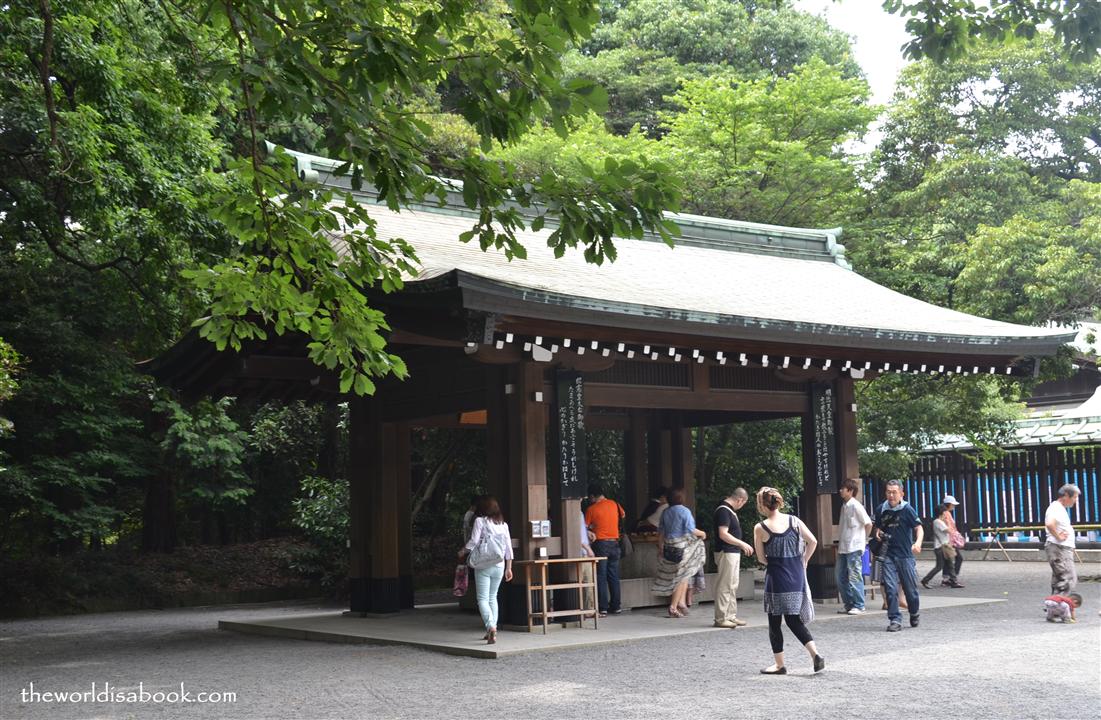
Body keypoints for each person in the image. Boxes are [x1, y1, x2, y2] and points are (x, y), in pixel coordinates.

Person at [752, 487, 824, 675]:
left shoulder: (761, 528)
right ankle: (815, 654)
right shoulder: (795, 521)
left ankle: (779, 664)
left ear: (761, 504)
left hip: (777, 577)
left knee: (774, 622)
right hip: (797, 574)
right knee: (793, 620)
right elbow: (813, 541)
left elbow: (760, 558)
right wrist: (804, 561)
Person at [458, 495, 513, 644]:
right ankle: (492, 629)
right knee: (493, 597)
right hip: (500, 565)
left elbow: (474, 541)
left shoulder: (480, 521)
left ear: (483, 509)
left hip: (483, 564)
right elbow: (508, 548)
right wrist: (509, 568)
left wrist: (463, 551)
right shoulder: (503, 525)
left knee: (482, 599)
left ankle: (491, 628)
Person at [872, 479, 923, 633]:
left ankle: (914, 612)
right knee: (890, 587)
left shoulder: (907, 509)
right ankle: (895, 619)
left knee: (910, 589)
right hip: (887, 554)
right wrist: (877, 533)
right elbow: (877, 527)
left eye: (894, 492)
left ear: (902, 493)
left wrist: (918, 543)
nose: (891, 495)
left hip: (905, 555)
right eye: (888, 492)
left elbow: (918, 528)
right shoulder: (881, 508)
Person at [653, 488, 707, 617]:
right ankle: (673, 607)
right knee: (682, 578)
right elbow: (690, 529)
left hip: (669, 547)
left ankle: (681, 603)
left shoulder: (665, 512)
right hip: (682, 548)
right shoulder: (684, 511)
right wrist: (703, 533)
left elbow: (661, 532)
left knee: (682, 576)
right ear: (681, 498)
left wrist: (660, 548)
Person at [713, 487, 754, 628]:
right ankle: (721, 618)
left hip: (732, 552)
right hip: (726, 551)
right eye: (743, 503)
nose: (741, 506)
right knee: (725, 585)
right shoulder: (724, 510)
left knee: (732, 585)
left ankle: (730, 615)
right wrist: (742, 544)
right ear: (740, 500)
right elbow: (723, 534)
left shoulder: (727, 510)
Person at [585, 484, 626, 616]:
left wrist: (593, 526)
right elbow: (623, 516)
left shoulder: (591, 509)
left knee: (600, 576)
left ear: (592, 496)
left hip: (600, 544)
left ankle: (602, 607)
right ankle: (616, 606)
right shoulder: (615, 504)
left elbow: (584, 526)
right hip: (615, 543)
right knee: (613, 575)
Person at [836, 478, 872, 615]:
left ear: (850, 491)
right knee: (840, 576)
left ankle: (859, 604)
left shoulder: (856, 506)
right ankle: (849, 603)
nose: (841, 490)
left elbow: (868, 523)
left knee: (854, 575)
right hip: (844, 546)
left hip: (855, 546)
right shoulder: (845, 506)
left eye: (843, 488)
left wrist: (864, 540)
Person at [1044, 484, 1080, 595]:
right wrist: (1059, 537)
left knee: (1059, 580)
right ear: (1065, 495)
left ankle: (1054, 607)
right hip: (1059, 548)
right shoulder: (1056, 508)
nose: (1076, 500)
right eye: (1074, 497)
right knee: (1068, 579)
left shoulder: (1058, 508)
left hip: (1059, 548)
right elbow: (1050, 524)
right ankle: (1063, 608)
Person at [922, 504, 963, 589]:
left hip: (944, 546)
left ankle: (954, 581)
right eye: (945, 512)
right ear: (941, 512)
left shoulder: (940, 521)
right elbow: (949, 531)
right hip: (941, 547)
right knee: (939, 566)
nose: (946, 513)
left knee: (950, 564)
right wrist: (948, 523)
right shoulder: (938, 522)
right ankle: (925, 580)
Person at [941, 495, 965, 584]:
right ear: (949, 504)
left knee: (948, 559)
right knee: (958, 558)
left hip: (947, 540)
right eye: (953, 504)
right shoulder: (946, 514)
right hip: (950, 541)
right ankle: (952, 577)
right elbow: (950, 528)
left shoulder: (945, 513)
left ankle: (946, 578)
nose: (954, 506)